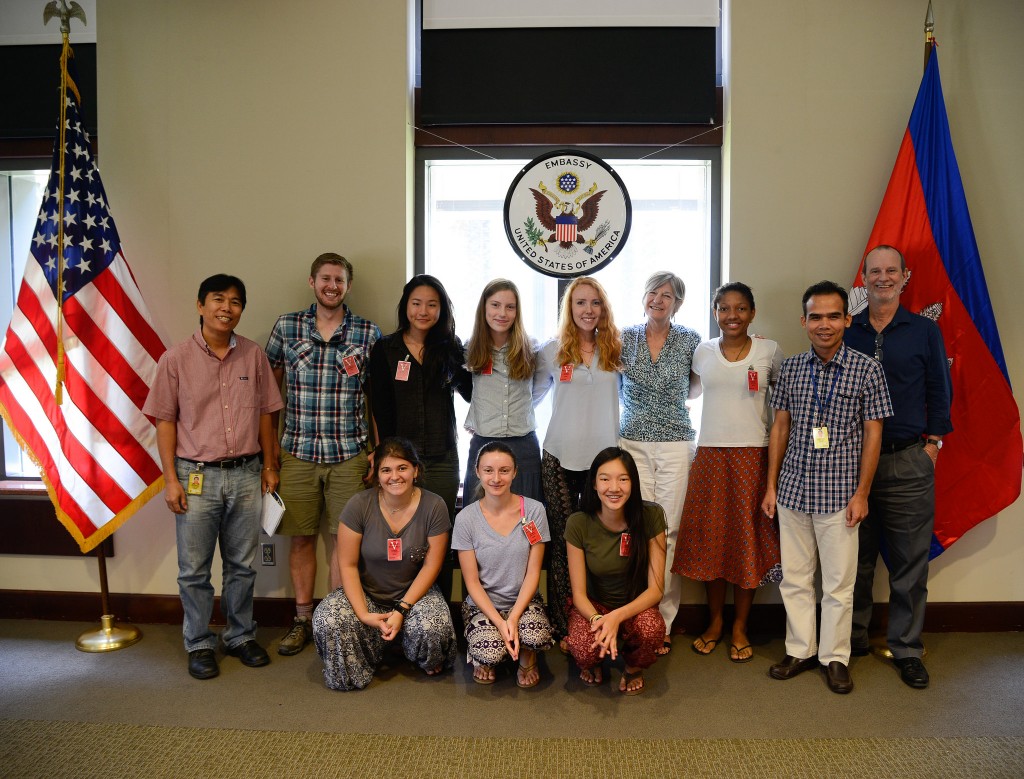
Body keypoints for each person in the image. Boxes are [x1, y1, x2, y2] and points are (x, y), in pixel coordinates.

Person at [143, 274, 284, 680]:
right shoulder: (175, 359)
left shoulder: (253, 356)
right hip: (195, 477)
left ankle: (240, 635)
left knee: (242, 564)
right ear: (200, 305)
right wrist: (170, 479)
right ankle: (200, 642)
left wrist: (270, 465)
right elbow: (164, 422)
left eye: (236, 301)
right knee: (194, 570)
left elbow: (266, 415)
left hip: (246, 474)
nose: (227, 308)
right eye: (218, 300)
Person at [762, 281, 892, 695]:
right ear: (804, 321)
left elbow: (874, 434)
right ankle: (800, 649)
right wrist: (771, 487)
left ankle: (835, 657)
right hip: (793, 490)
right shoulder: (793, 368)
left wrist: (862, 494)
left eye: (833, 316)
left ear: (847, 320)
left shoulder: (867, 369)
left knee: (838, 583)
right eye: (815, 316)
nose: (824, 324)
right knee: (796, 579)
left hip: (841, 494)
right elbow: (780, 426)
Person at [844, 245, 952, 689]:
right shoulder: (847, 330)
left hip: (909, 459)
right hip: (851, 464)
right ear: (864, 278)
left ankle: (906, 649)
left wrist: (933, 445)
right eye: (875, 271)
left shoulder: (924, 331)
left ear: (905, 277)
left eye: (892, 271)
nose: (883, 278)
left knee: (910, 561)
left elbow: (938, 389)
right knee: (854, 559)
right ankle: (849, 641)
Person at [265, 252, 380, 657]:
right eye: (325, 278)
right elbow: (268, 397)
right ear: (312, 281)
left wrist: (375, 451)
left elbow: (374, 398)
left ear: (348, 286)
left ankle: (336, 619)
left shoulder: (368, 333)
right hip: (297, 451)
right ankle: (301, 619)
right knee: (300, 540)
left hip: (349, 452)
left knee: (342, 543)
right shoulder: (287, 326)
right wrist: (270, 457)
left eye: (340, 280)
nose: (332, 286)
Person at [673, 282, 783, 663]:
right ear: (714, 312)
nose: (731, 315)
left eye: (740, 308)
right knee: (714, 542)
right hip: (709, 456)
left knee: (746, 541)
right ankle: (715, 622)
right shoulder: (701, 352)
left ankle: (740, 626)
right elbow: (684, 393)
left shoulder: (770, 350)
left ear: (752, 313)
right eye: (724, 308)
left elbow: (782, 408)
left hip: (753, 456)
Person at [311, 437, 456, 691]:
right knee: (327, 618)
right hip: (368, 594)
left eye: (402, 468)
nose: (394, 476)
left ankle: (412, 650)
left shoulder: (434, 506)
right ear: (377, 475)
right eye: (386, 470)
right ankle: (371, 653)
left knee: (434, 626)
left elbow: (432, 567)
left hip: (414, 597)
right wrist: (364, 614)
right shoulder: (359, 505)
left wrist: (401, 610)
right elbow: (347, 565)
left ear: (415, 471)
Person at [369, 274, 471, 599]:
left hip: (442, 457)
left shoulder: (452, 348)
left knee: (440, 533)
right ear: (406, 306)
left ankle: (437, 609)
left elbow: (472, 393)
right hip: (400, 461)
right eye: (417, 303)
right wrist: (380, 454)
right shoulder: (386, 348)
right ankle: (398, 603)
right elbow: (378, 406)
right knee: (400, 531)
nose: (423, 311)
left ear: (442, 309)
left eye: (432, 304)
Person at [618, 271, 701, 655]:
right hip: (631, 442)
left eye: (668, 295)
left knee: (667, 532)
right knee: (635, 529)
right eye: (653, 292)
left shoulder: (690, 340)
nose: (659, 300)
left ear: (678, 303)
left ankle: (662, 621)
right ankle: (635, 615)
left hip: (675, 444)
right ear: (643, 297)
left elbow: (699, 384)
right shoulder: (624, 338)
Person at [537, 276, 622, 644]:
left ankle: (596, 621)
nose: (588, 310)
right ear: (569, 310)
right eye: (580, 303)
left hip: (602, 464)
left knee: (598, 543)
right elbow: (531, 396)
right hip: (558, 457)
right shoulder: (552, 351)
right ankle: (560, 623)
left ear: (604, 308)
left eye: (595, 303)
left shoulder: (618, 349)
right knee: (560, 543)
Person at [565, 447, 667, 695]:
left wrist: (616, 617)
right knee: (582, 648)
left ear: (633, 482)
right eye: (605, 479)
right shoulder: (578, 523)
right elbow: (578, 594)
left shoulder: (651, 516)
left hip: (635, 605)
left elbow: (656, 590)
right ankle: (595, 661)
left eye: (623, 478)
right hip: (594, 607)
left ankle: (633, 667)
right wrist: (600, 620)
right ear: (594, 484)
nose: (614, 487)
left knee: (652, 630)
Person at [452, 441, 552, 688]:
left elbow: (533, 573)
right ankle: (489, 650)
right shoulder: (466, 519)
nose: (496, 478)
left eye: (504, 471)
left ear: (515, 472)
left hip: (524, 601)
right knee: (490, 653)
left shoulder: (534, 510)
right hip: (483, 605)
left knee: (536, 636)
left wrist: (514, 616)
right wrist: (500, 621)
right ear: (477, 472)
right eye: (488, 470)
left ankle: (528, 656)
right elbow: (471, 582)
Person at [462, 279, 549, 504]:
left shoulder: (531, 347)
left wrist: (519, 411)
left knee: (527, 514)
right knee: (481, 516)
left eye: (510, 307)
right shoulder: (469, 348)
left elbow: (537, 390)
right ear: (484, 308)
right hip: (483, 443)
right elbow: (466, 388)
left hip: (524, 444)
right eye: (495, 305)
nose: (502, 313)